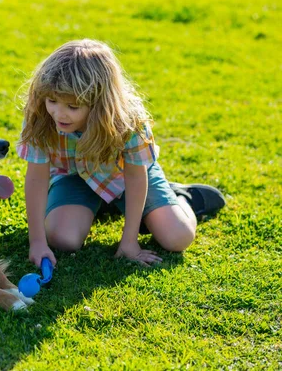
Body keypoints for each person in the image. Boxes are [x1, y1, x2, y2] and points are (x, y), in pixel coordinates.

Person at [17, 39, 225, 267]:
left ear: (99, 103)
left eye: (72, 107)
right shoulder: (40, 116)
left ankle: (183, 197)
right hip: (74, 176)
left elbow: (136, 176)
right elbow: (37, 177)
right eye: (52, 101)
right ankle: (101, 203)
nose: (59, 114)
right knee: (62, 239)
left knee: (178, 237)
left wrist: (129, 242)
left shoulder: (128, 120)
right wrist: (37, 241)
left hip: (125, 176)